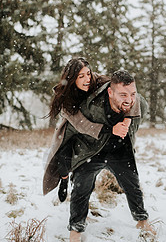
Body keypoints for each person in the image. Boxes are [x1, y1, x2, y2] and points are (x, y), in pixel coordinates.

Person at [43, 69, 155, 242]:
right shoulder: (90, 106)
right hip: (90, 151)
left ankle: (142, 220)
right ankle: (75, 233)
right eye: (123, 94)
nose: (129, 99)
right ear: (110, 92)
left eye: (132, 94)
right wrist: (63, 167)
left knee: (132, 185)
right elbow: (70, 131)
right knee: (81, 188)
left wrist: (127, 119)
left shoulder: (138, 103)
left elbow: (139, 105)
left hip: (120, 150)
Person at [44, 58, 131, 202]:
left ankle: (79, 182)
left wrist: (126, 119)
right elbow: (81, 124)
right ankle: (64, 179)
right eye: (81, 76)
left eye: (88, 74)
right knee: (62, 159)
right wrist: (110, 129)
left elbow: (127, 92)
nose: (87, 79)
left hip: (94, 127)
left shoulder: (99, 81)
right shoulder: (65, 97)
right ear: (72, 79)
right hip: (74, 128)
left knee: (83, 161)